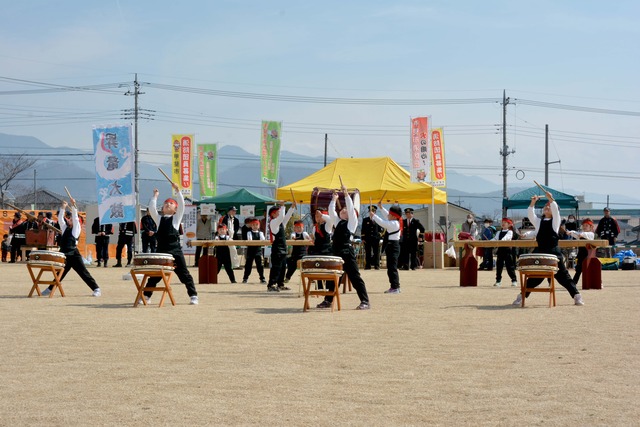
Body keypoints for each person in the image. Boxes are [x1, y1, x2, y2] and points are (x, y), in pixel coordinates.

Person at [512, 191, 584, 306]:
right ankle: (522, 296)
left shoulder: (556, 221)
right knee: (535, 277)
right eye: (545, 206)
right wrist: (532, 203)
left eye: (549, 206)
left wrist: (551, 200)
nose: (547, 207)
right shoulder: (539, 222)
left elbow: (555, 210)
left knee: (563, 277)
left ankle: (576, 296)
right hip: (540, 252)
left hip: (554, 253)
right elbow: (531, 215)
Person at [142, 185, 199, 305]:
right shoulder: (159, 219)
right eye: (166, 203)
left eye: (171, 203)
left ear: (175, 209)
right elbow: (152, 209)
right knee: (156, 275)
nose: (168, 204)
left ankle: (193, 295)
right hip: (161, 251)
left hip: (175, 250)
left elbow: (182, 205)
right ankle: (146, 296)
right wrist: (155, 196)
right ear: (162, 208)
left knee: (184, 274)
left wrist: (178, 192)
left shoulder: (176, 218)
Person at [42, 197, 101, 297]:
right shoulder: (65, 229)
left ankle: (96, 289)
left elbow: (76, 219)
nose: (69, 220)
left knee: (83, 272)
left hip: (74, 254)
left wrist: (73, 205)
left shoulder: (76, 230)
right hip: (64, 255)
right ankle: (50, 288)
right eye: (69, 219)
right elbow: (61, 219)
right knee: (61, 272)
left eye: (71, 219)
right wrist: (63, 207)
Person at [328, 186, 371, 310]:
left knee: (354, 277)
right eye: (342, 209)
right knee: (333, 277)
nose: (343, 210)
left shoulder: (352, 222)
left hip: (347, 252)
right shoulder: (338, 222)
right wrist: (334, 198)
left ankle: (365, 301)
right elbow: (331, 211)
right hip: (336, 253)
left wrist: (346, 195)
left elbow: (351, 209)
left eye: (345, 209)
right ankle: (328, 300)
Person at [370, 203, 403, 294]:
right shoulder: (395, 221)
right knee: (391, 267)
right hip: (392, 246)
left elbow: (383, 223)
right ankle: (395, 286)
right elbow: (386, 216)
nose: (387, 215)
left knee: (392, 268)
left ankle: (395, 286)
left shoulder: (394, 223)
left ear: (393, 216)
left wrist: (374, 216)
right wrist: (381, 208)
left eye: (390, 214)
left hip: (393, 246)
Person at [266, 202, 296, 292]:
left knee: (283, 267)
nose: (279, 213)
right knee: (276, 267)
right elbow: (282, 216)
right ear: (273, 214)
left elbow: (286, 217)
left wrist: (292, 208)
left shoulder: (280, 223)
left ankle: (280, 284)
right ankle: (271, 285)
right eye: (278, 212)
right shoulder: (273, 222)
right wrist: (282, 206)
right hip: (277, 249)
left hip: (283, 248)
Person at [311, 208, 335, 308]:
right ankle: (320, 289)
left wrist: (323, 215)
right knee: (317, 271)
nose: (318, 218)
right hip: (317, 252)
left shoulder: (328, 225)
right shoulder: (314, 227)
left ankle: (328, 297)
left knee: (329, 275)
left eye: (320, 216)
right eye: (316, 216)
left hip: (327, 252)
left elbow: (330, 220)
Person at [567, 218, 595, 283]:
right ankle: (573, 283)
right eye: (584, 226)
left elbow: (586, 235)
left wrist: (582, 234)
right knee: (578, 270)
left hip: (588, 255)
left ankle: (596, 282)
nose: (584, 227)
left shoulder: (591, 234)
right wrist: (570, 232)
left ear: (590, 227)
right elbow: (575, 233)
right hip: (581, 255)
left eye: (586, 226)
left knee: (590, 270)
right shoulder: (581, 233)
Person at [493, 218, 518, 287]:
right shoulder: (499, 232)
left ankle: (514, 280)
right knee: (499, 266)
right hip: (500, 250)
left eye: (505, 222)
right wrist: (489, 241)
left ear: (509, 224)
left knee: (510, 266)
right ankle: (498, 281)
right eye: (502, 222)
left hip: (507, 250)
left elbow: (507, 238)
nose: (503, 223)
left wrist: (500, 241)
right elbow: (495, 239)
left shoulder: (510, 232)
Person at [242, 218, 266, 284]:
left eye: (256, 225)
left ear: (259, 225)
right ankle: (245, 278)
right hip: (250, 251)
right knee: (248, 265)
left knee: (260, 265)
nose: (255, 226)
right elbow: (250, 240)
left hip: (258, 251)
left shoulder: (261, 233)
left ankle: (262, 278)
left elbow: (263, 240)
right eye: (253, 225)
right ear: (251, 226)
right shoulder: (249, 232)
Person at [360, 205, 383, 270]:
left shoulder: (377, 220)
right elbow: (363, 230)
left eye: (373, 211)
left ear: (375, 212)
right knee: (368, 252)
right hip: (368, 239)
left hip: (375, 239)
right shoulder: (365, 220)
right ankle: (368, 265)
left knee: (376, 252)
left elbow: (381, 229)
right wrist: (363, 238)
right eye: (370, 211)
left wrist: (379, 236)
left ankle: (377, 265)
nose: (372, 212)